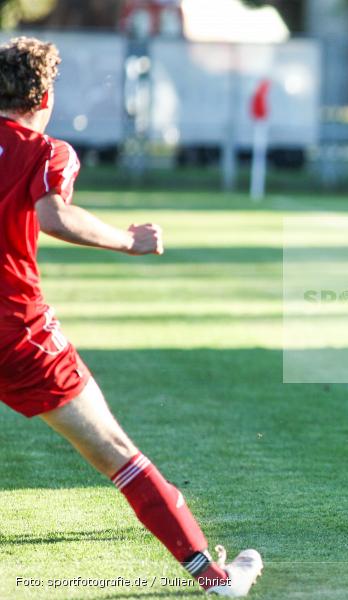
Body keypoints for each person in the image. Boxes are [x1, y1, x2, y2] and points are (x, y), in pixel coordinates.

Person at [0, 37, 262, 596]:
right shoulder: (47, 151)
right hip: (18, 338)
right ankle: (216, 579)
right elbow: (55, 216)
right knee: (119, 456)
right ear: (43, 94)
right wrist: (127, 241)